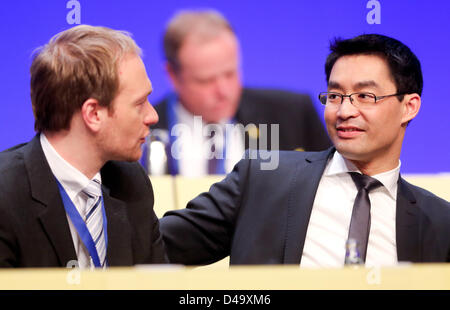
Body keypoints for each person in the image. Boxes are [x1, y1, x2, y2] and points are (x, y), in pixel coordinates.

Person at [160, 34, 450, 266]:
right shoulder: (264, 178)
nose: (345, 110)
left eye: (364, 96)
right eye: (335, 95)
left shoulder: (439, 222)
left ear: (408, 107)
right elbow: (158, 244)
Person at [0, 25, 167, 268]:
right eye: (140, 103)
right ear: (93, 113)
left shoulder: (132, 184)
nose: (152, 116)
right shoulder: (6, 196)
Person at [145, 9, 331, 176]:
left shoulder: (292, 115)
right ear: (172, 75)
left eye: (230, 73)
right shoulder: (143, 130)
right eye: (206, 80)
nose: (223, 91)